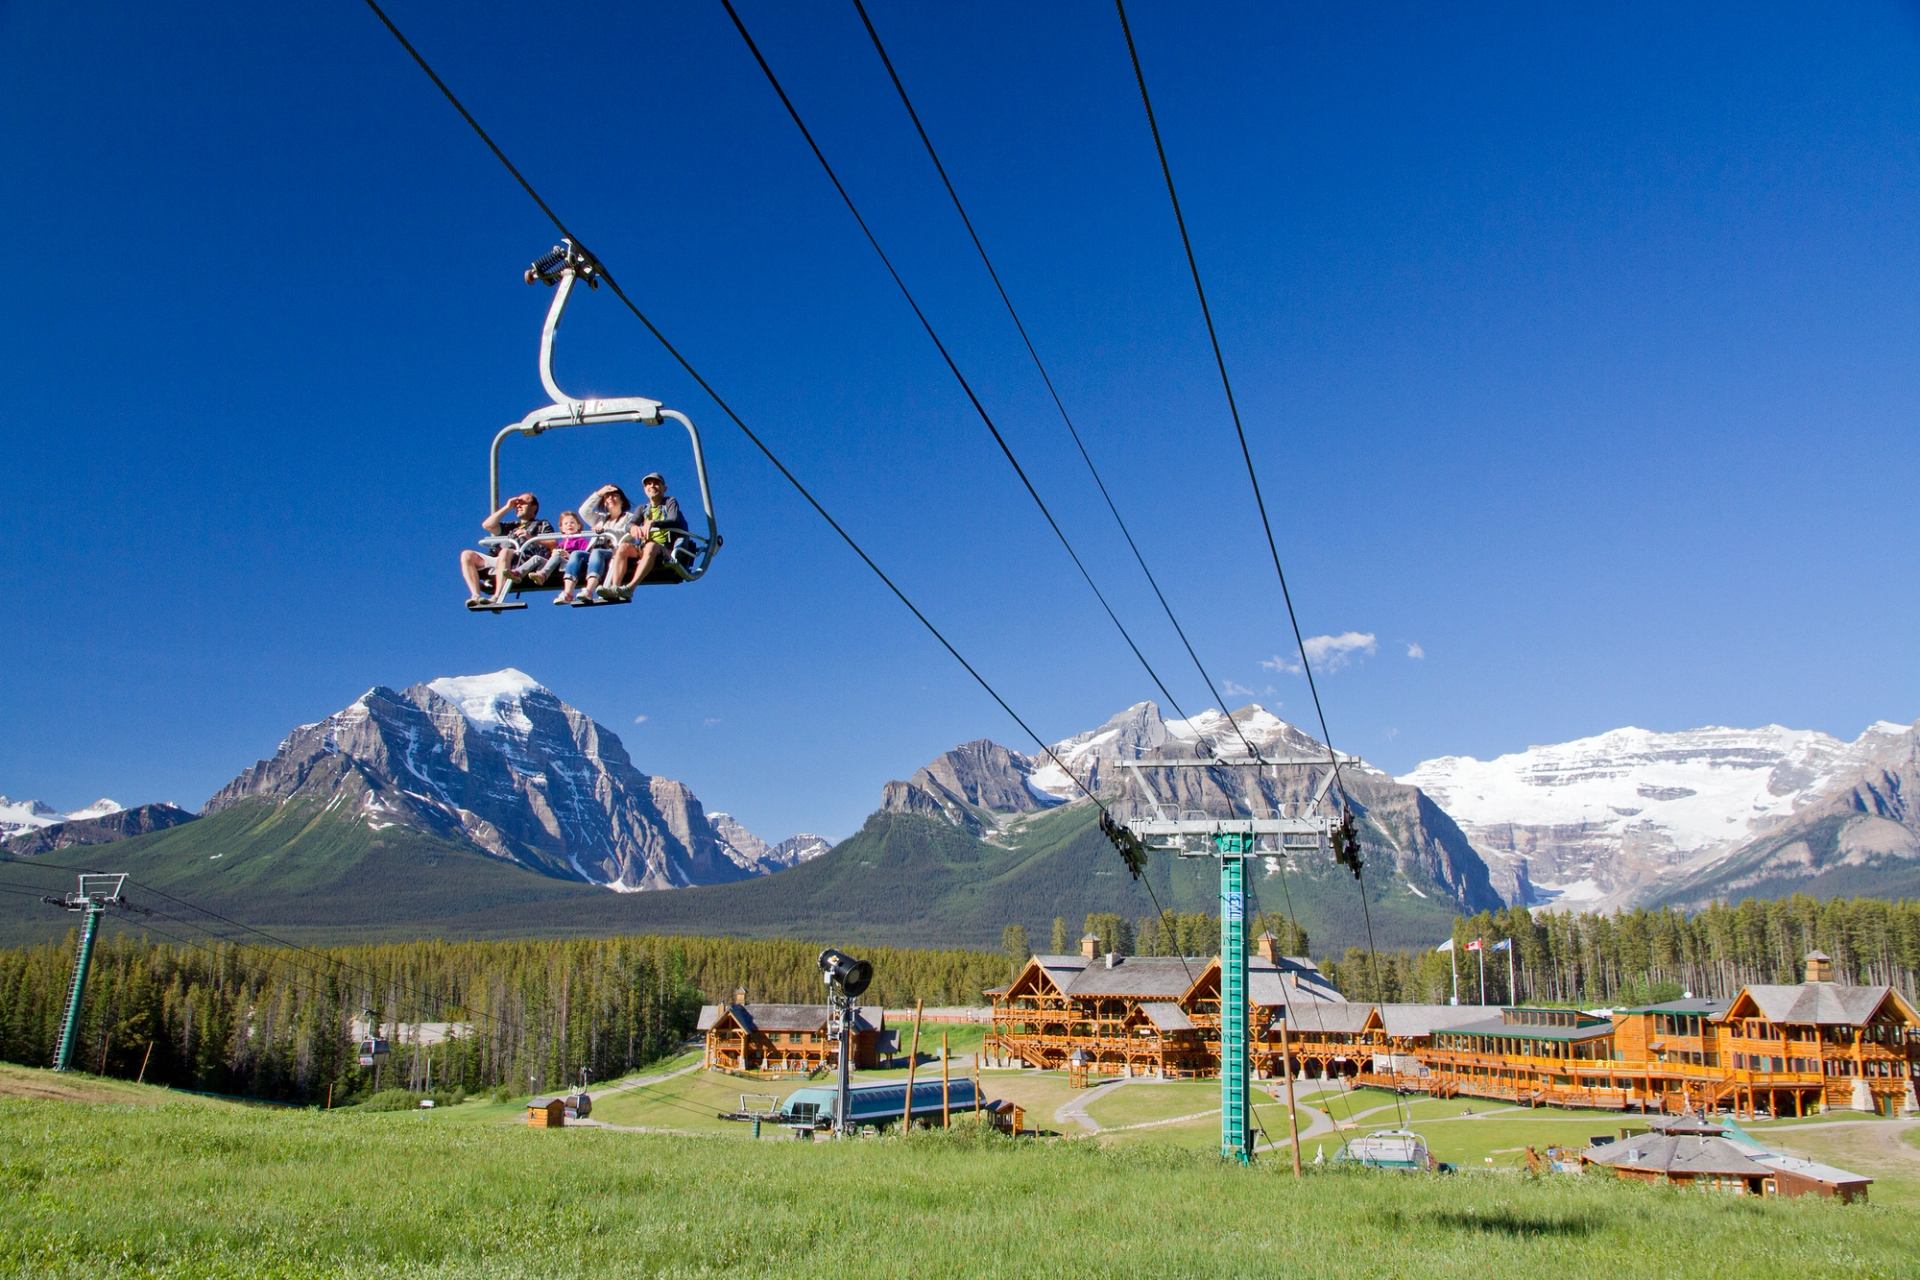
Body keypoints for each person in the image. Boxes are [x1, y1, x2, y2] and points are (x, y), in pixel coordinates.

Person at [601, 472, 687, 599]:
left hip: (665, 549)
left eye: (656, 484)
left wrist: (654, 523)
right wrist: (633, 527)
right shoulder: (642, 508)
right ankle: (615, 587)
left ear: (664, 488)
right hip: (644, 547)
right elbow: (629, 525)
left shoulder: (669, 502)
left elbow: (674, 519)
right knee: (623, 547)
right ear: (645, 489)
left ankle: (630, 588)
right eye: (649, 484)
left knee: (651, 546)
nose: (652, 486)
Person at [458, 493, 552, 608]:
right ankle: (475, 595)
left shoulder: (542, 524)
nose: (519, 506)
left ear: (534, 507)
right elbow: (487, 525)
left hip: (520, 559)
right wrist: (507, 507)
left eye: (523, 503)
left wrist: (530, 538)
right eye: (517, 503)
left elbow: (552, 543)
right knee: (467, 555)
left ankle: (497, 596)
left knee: (505, 552)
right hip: (499, 559)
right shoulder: (511, 526)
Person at [572, 483, 635, 606]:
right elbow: (583, 511)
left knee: (597, 553)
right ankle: (568, 591)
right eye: (607, 497)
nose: (610, 498)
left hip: (614, 553)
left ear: (622, 500)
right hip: (594, 553)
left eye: (614, 495)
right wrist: (599, 493)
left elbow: (627, 534)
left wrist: (605, 531)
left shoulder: (630, 518)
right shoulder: (600, 519)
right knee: (577, 554)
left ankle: (589, 590)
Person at [548, 510, 594, 605]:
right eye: (566, 523)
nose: (569, 525)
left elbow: (584, 554)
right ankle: (543, 573)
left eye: (572, 523)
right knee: (554, 555)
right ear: (562, 528)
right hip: (562, 564)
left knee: (575, 554)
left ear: (579, 526)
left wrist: (568, 556)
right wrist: (555, 553)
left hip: (577, 564)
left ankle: (568, 592)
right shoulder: (562, 544)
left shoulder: (581, 540)